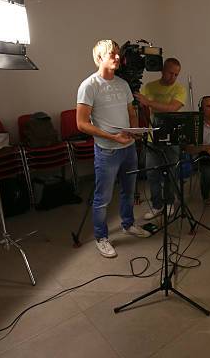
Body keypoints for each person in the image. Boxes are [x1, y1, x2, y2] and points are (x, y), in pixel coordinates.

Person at [77, 40, 150, 259]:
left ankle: (128, 224)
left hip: (128, 148)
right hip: (107, 150)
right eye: (112, 54)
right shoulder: (89, 86)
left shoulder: (123, 84)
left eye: (118, 54)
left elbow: (131, 112)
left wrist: (134, 130)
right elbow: (81, 124)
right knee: (103, 198)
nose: (117, 58)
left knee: (129, 192)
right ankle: (101, 237)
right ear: (99, 58)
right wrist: (112, 137)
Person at [133, 58, 186, 220]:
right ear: (163, 70)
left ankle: (169, 203)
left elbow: (172, 108)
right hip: (153, 135)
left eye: (176, 74)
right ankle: (157, 206)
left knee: (171, 171)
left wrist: (148, 102)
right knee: (152, 172)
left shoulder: (180, 89)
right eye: (171, 73)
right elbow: (144, 108)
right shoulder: (150, 87)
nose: (173, 77)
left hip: (172, 134)